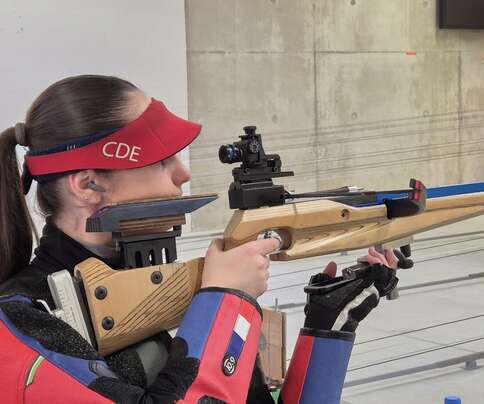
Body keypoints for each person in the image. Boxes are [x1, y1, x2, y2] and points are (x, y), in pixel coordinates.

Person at [0, 75, 399, 404]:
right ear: (88, 185)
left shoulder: (164, 290)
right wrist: (226, 299)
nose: (182, 173)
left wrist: (328, 324)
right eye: (161, 159)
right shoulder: (22, 324)